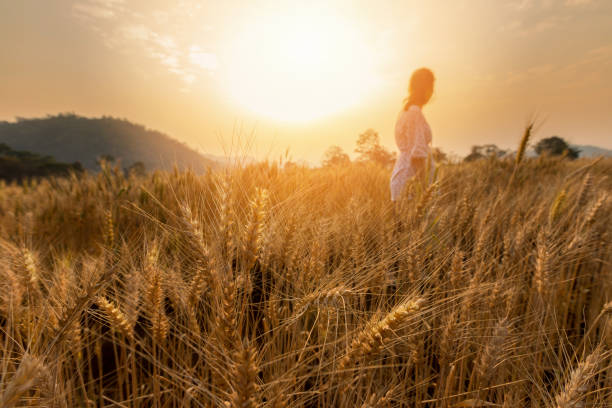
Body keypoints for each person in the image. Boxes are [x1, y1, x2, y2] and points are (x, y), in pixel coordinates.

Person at [390, 68, 435, 201]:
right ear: (424, 88)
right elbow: (418, 155)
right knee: (414, 222)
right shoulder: (414, 113)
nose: (432, 92)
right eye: (430, 87)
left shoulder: (408, 111)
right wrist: (423, 191)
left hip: (404, 178)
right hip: (411, 182)